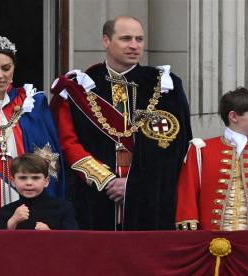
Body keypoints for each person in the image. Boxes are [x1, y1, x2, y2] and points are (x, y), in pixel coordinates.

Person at [50, 16, 192, 230]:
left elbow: (176, 146)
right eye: (126, 39)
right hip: (94, 198)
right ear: (106, 41)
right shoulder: (81, 86)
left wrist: (135, 185)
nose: (134, 46)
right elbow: (67, 142)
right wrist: (106, 180)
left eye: (139, 39)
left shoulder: (165, 85)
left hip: (150, 200)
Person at [0, 33, 65, 229]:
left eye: (6, 68)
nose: (0, 76)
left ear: (14, 68)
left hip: (28, 196)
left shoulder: (32, 103)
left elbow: (49, 160)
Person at [175, 87, 248, 231]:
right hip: (211, 237)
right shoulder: (201, 149)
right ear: (234, 117)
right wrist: (189, 225)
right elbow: (188, 192)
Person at [0, 153, 77, 230]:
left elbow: (73, 241)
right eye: (23, 178)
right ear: (13, 181)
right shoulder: (6, 211)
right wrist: (13, 222)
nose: (29, 183)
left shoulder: (63, 208)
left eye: (35, 178)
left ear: (46, 181)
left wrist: (50, 234)